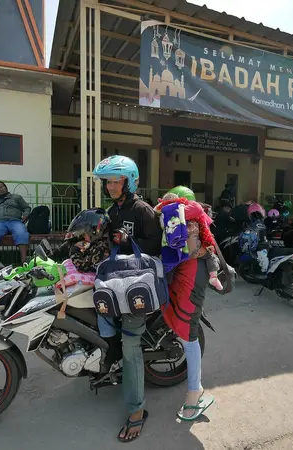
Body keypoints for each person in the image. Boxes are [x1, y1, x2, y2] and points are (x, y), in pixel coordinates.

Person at [92, 155, 162, 443]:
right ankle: (110, 355)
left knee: (131, 343)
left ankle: (137, 411)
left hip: (137, 282)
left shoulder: (142, 209)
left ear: (129, 182)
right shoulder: (113, 210)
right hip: (118, 276)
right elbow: (111, 241)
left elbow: (156, 244)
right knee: (97, 307)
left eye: (115, 181)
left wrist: (125, 240)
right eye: (107, 182)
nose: (110, 186)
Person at [154, 186, 217, 421]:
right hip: (181, 282)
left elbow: (195, 209)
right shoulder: (177, 227)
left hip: (192, 286)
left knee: (188, 336)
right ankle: (195, 388)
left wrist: (169, 207)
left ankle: (195, 391)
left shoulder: (194, 219)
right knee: (181, 331)